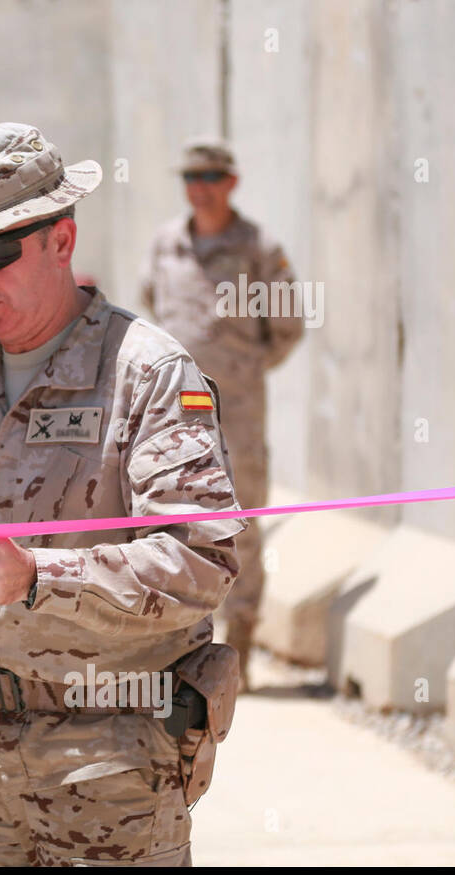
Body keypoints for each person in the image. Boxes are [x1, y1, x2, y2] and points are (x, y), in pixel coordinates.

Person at [0, 122, 246, 866]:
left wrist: (37, 576)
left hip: (113, 769)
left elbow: (202, 564)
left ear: (61, 241)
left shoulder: (149, 373)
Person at [140, 139, 304, 689]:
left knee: (242, 519)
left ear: (231, 182)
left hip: (237, 408)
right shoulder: (168, 243)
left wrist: (244, 367)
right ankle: (182, 645)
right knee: (176, 516)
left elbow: (287, 324)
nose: (199, 186)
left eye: (210, 175)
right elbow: (150, 303)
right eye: (190, 176)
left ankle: (242, 645)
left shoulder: (257, 246)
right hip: (179, 408)